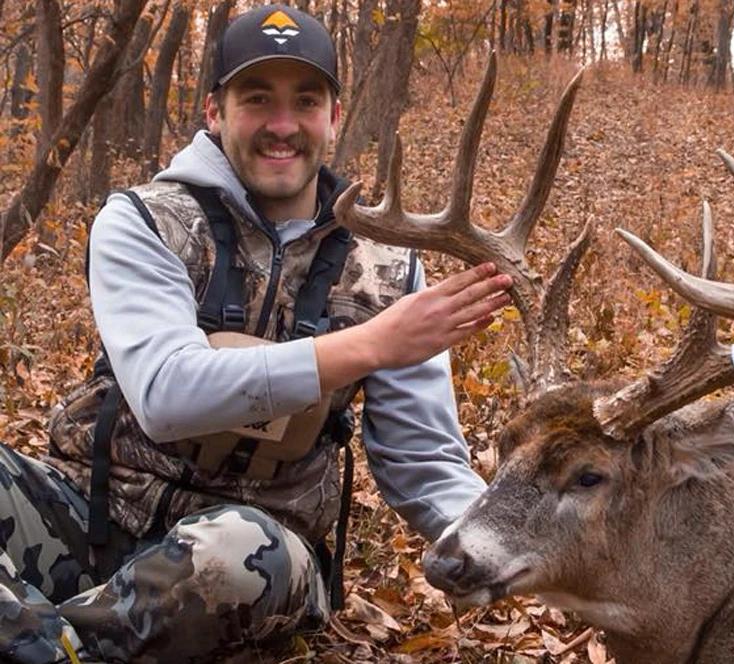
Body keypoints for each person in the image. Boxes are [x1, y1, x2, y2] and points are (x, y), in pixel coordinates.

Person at [0, 4, 510, 662]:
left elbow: (425, 461)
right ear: (214, 111)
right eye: (256, 99)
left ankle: (38, 639)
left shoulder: (385, 267)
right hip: (95, 517)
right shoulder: (144, 221)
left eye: (305, 100)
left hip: (254, 554)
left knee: (238, 552)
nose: (282, 125)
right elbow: (166, 393)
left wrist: (504, 547)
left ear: (332, 115)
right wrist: (370, 345)